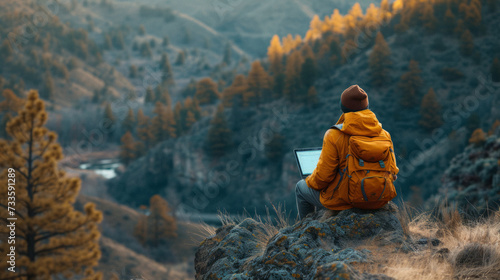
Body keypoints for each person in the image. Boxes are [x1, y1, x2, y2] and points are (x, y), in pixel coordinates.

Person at [296, 85, 398, 220]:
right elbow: (393, 172)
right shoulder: (384, 134)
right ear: (367, 107)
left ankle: (304, 228)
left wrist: (309, 180)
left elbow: (322, 178)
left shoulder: (334, 135)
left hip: (345, 201)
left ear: (343, 109)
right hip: (379, 198)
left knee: (300, 187)